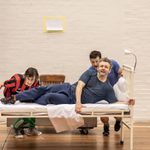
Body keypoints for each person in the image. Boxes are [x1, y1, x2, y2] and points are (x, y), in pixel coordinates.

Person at [1, 58, 120, 107]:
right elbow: (79, 86)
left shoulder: (108, 89)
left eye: (106, 67)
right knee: (42, 89)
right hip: (69, 88)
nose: (103, 68)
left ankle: (30, 99)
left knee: (49, 96)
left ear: (109, 71)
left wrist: (128, 102)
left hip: (70, 100)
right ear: (97, 68)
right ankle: (13, 98)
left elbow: (115, 104)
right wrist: (79, 102)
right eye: (101, 66)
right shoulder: (90, 74)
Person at [0, 67, 42, 138]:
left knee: (32, 108)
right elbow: (2, 84)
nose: (30, 82)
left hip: (23, 95)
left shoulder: (36, 83)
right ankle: (16, 128)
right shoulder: (16, 80)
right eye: (28, 79)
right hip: (10, 95)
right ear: (25, 76)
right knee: (24, 111)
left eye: (32, 80)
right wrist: (9, 98)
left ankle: (31, 128)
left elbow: (37, 92)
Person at [88, 50, 123, 136]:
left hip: (114, 91)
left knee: (116, 113)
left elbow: (120, 72)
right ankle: (106, 126)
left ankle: (118, 120)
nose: (95, 64)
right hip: (102, 93)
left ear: (101, 59)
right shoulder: (91, 70)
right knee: (102, 112)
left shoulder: (112, 63)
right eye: (93, 62)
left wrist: (122, 77)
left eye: (97, 61)